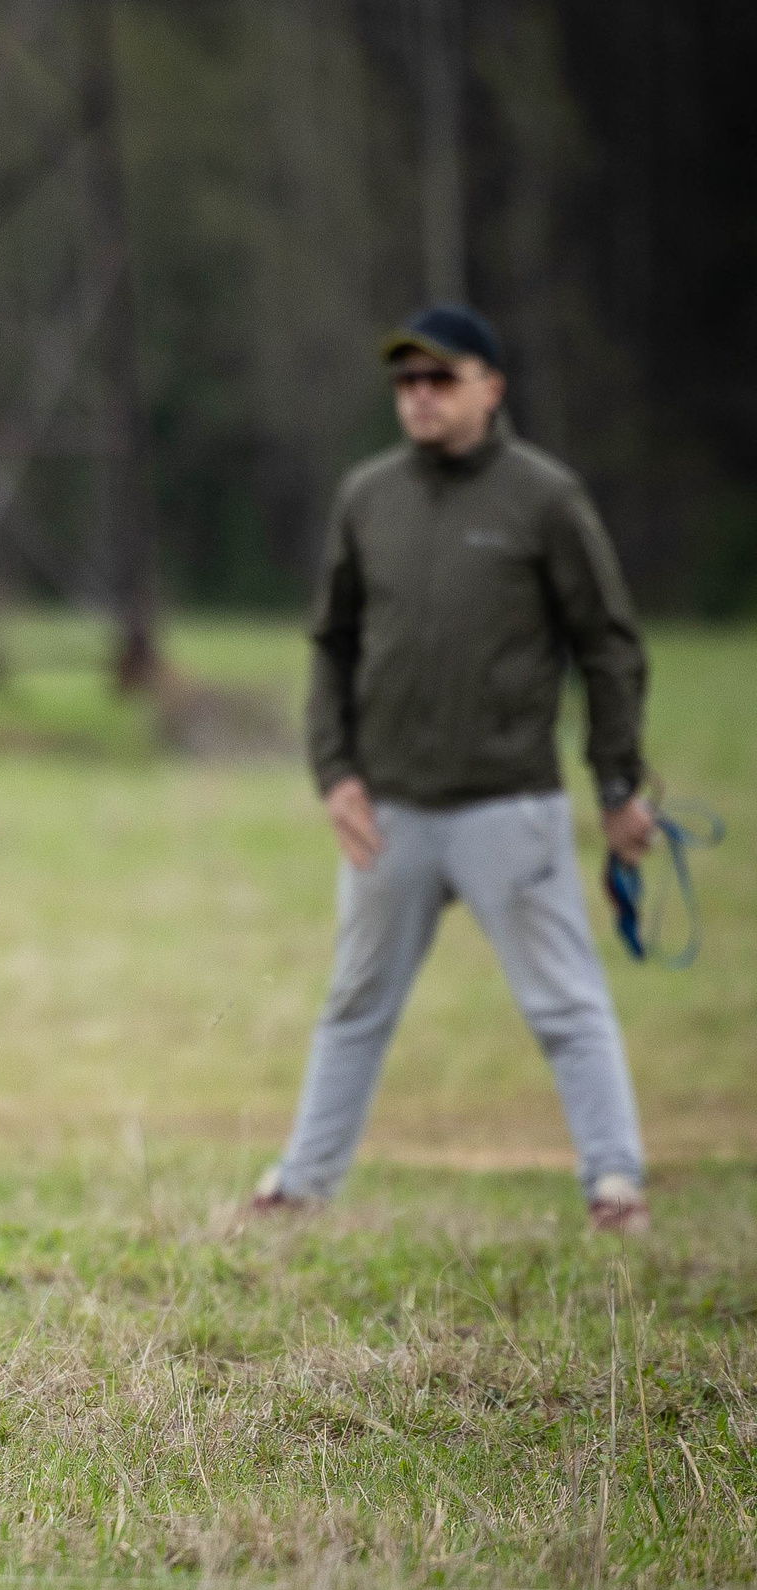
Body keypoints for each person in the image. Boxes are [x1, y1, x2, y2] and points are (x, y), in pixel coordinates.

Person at [253, 304, 657, 1233]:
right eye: (406, 381)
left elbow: (608, 646)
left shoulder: (544, 498)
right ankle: (301, 1185)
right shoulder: (369, 497)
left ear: (491, 387)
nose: (420, 395)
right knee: (353, 1002)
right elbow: (333, 642)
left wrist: (617, 783)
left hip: (508, 806)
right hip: (389, 806)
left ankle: (614, 1183)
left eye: (441, 378)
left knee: (563, 1003)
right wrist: (335, 772)